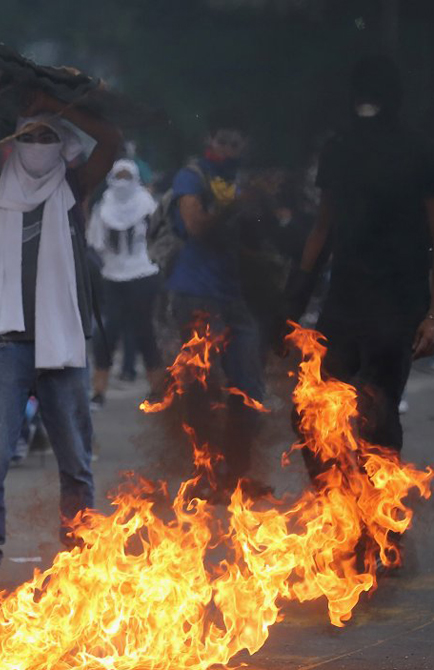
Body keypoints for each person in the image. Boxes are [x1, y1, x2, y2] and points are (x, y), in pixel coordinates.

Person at [0, 74, 122, 589]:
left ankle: (81, 553)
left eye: (48, 137)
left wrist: (55, 105)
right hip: (7, 346)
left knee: (76, 462)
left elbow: (111, 142)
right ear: (12, 143)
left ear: (63, 145)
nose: (38, 146)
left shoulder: (74, 187)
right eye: (28, 136)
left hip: (63, 345)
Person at [285, 55, 434, 464]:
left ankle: (377, 521)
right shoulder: (340, 148)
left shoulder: (418, 150)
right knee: (311, 409)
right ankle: (340, 507)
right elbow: (324, 229)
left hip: (399, 305)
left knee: (379, 416)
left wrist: (433, 315)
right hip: (347, 302)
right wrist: (294, 302)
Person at [163, 110, 268, 496]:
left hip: (234, 296)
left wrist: (260, 208)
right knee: (202, 389)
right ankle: (203, 477)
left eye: (236, 144)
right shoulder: (192, 176)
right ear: (209, 140)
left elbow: (259, 237)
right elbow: (195, 226)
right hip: (196, 294)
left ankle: (236, 476)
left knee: (249, 388)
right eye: (223, 141)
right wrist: (235, 205)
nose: (229, 149)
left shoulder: (242, 181)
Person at [87, 159, 165, 408]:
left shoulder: (146, 204)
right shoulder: (104, 206)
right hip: (113, 275)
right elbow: (96, 241)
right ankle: (99, 391)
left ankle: (158, 390)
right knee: (107, 335)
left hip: (143, 273)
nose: (121, 182)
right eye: (117, 176)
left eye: (126, 177)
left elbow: (159, 236)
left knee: (144, 332)